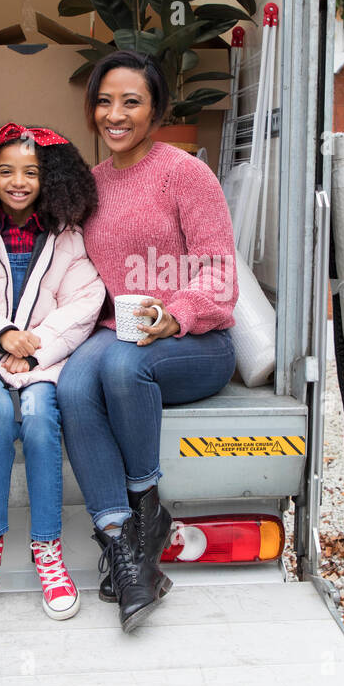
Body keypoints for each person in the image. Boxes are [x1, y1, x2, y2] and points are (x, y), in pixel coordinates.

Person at [57, 50, 239, 633]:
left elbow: (218, 271)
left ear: (155, 109)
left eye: (131, 102)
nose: (115, 114)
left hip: (195, 339)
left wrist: (177, 314)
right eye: (105, 102)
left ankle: (146, 510)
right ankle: (122, 543)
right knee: (72, 383)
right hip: (117, 332)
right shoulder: (89, 185)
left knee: (119, 370)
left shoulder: (185, 173)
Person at [0, 123, 104, 621]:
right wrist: (1, 336)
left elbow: (85, 302)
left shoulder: (68, 237)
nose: (19, 181)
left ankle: (46, 547)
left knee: (37, 412)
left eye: (32, 172)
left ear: (51, 179)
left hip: (46, 360)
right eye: (6, 170)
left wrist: (36, 352)